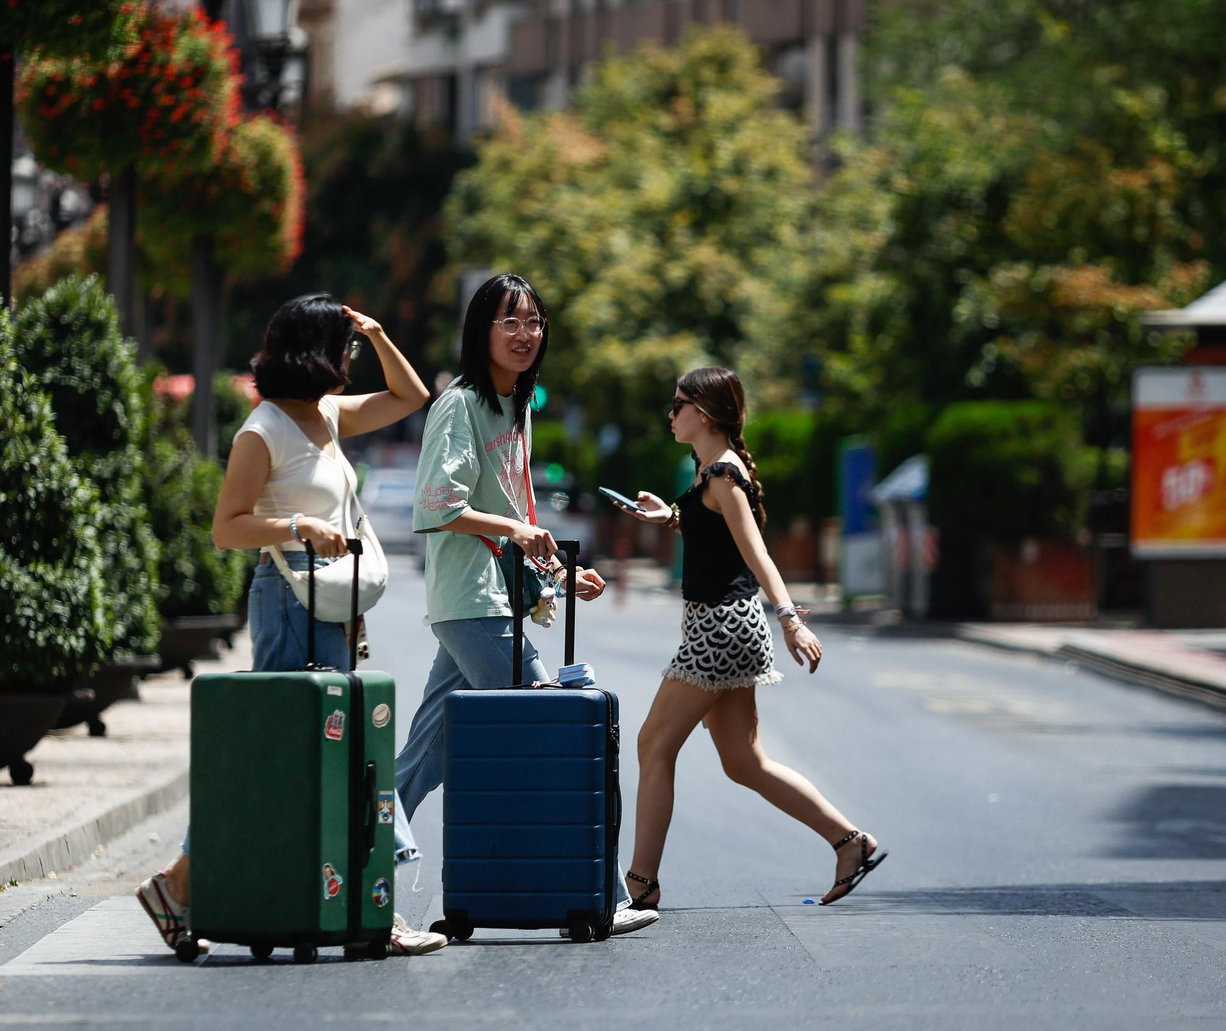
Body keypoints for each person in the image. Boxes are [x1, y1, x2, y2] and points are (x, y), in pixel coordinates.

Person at [135, 293, 447, 956]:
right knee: (300, 749)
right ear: (317, 352)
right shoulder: (265, 429)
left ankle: (182, 885)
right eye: (346, 347)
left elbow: (411, 397)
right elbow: (227, 528)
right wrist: (298, 526)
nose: (352, 356)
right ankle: (372, 911)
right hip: (286, 600)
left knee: (289, 753)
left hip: (327, 602)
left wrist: (378, 332)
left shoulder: (327, 414)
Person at [396, 273, 660, 937]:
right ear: (481, 331)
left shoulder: (517, 408)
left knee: (423, 760)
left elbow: (515, 515)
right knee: (557, 732)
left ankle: (346, 864)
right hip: (472, 602)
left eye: (534, 322)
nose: (524, 334)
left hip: (488, 602)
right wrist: (516, 532)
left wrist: (559, 576)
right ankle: (597, 898)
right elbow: (438, 505)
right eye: (509, 321)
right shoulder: (459, 405)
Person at [610, 366, 887, 908]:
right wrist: (670, 518)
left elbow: (756, 552)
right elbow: (718, 538)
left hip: (721, 627)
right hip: (721, 624)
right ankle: (849, 841)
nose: (670, 414)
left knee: (653, 744)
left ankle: (641, 884)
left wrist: (791, 619)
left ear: (704, 414)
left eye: (678, 405)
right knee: (744, 761)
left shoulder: (722, 474)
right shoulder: (711, 472)